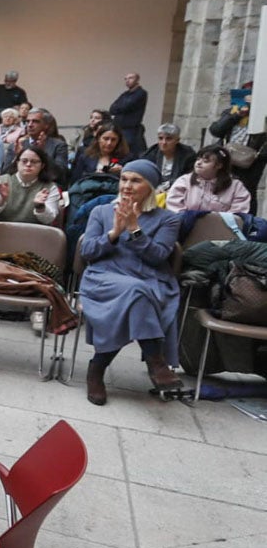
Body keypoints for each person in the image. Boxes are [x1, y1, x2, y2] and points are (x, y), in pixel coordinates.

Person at [80, 160, 183, 404]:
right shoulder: (102, 212)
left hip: (148, 277)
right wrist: (114, 233)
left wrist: (135, 229)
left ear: (150, 186)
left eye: (135, 180)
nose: (127, 185)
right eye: (124, 179)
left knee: (137, 293)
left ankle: (97, 367)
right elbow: (87, 251)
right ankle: (156, 362)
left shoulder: (168, 219)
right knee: (136, 293)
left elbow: (158, 255)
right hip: (103, 277)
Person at [0, 146, 64, 332]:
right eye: (24, 161)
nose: (28, 165)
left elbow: (50, 218)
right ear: (17, 163)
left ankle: (37, 307)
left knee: (42, 264)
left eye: (34, 162)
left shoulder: (50, 188)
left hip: (33, 248)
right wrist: (2, 200)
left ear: (42, 165)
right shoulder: (3, 181)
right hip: (0, 243)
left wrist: (39, 206)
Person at [165, 144, 252, 213]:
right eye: (198, 159)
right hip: (187, 229)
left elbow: (239, 213)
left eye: (206, 161)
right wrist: (188, 219)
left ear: (219, 165)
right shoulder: (184, 181)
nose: (199, 163)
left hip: (221, 232)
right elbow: (174, 206)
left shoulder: (236, 186)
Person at [142, 123, 196, 190]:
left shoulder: (188, 155)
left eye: (169, 139)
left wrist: (169, 185)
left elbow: (189, 177)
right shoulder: (150, 154)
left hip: (178, 189)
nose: (164, 142)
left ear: (177, 140)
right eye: (160, 138)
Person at [109, 72, 149, 155]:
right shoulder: (125, 94)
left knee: (129, 152)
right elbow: (112, 109)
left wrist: (119, 107)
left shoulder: (141, 93)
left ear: (137, 80)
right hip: (119, 128)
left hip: (131, 129)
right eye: (126, 79)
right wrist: (120, 107)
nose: (127, 80)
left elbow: (126, 106)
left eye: (130, 78)